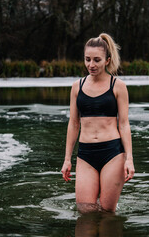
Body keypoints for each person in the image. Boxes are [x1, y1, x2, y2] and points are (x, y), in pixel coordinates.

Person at [61, 33, 135, 213]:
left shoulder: (118, 86)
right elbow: (73, 124)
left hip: (112, 153)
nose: (91, 65)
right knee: (85, 211)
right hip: (85, 154)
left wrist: (129, 159)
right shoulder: (77, 87)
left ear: (107, 60)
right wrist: (67, 159)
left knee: (107, 212)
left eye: (96, 60)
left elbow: (124, 124)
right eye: (87, 59)